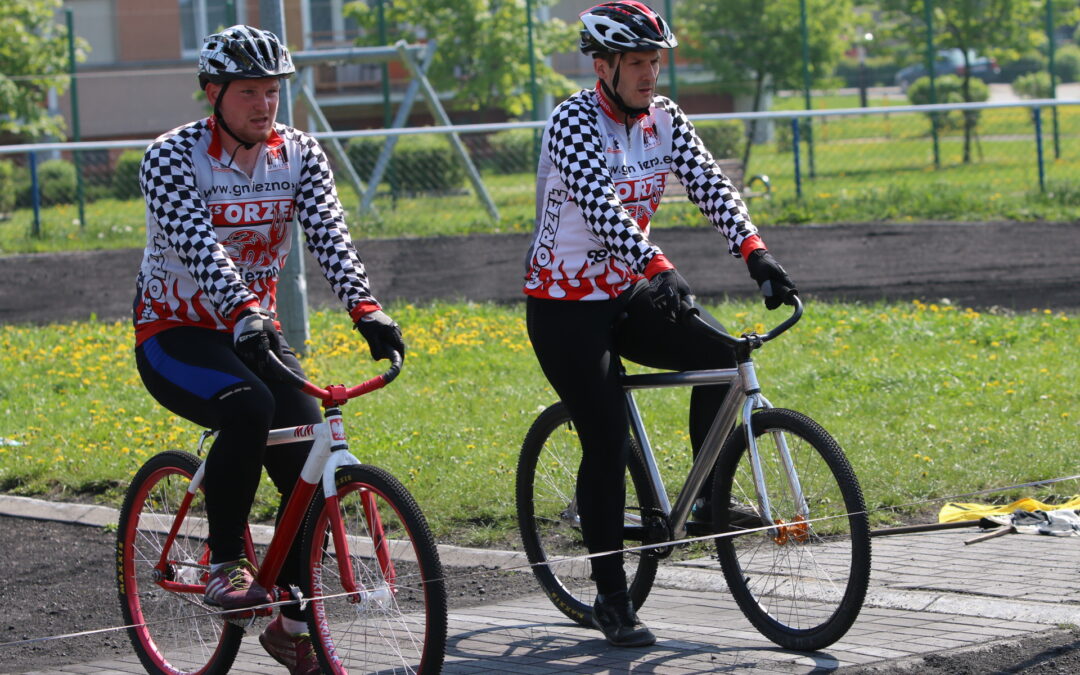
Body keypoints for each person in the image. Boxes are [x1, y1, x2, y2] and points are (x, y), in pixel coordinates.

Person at [523, 1, 797, 648]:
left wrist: (757, 253)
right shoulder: (571, 121)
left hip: (626, 289)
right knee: (606, 436)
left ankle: (704, 502)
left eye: (655, 61)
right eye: (638, 62)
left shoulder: (664, 119)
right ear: (605, 64)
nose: (650, 73)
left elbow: (710, 184)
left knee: (726, 357)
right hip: (564, 305)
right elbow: (601, 206)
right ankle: (612, 598)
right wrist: (657, 262)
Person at [132, 25, 404, 675]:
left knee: (308, 467)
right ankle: (226, 560)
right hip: (175, 331)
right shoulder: (171, 158)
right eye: (249, 91)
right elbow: (201, 249)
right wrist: (244, 313)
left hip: (254, 331)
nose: (264, 103)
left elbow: (331, 240)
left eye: (273, 91)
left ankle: (290, 626)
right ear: (213, 94)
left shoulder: (301, 153)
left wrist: (367, 309)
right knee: (246, 405)